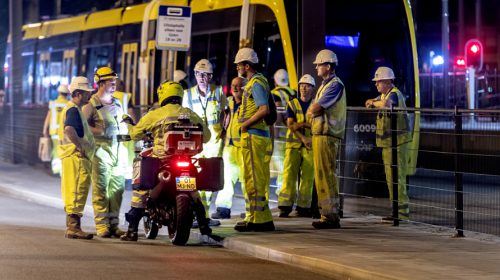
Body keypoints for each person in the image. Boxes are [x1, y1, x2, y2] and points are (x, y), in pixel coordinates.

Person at [120, 81, 212, 241]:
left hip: (161, 161)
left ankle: (132, 230)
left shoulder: (156, 113)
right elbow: (208, 136)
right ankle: (204, 224)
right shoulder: (189, 113)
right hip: (186, 161)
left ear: (163, 95)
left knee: (140, 187)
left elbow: (135, 134)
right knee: (195, 193)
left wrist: (129, 124)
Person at [82, 66, 128, 238]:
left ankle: (114, 225)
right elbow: (82, 127)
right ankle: (102, 226)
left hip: (118, 150)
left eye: (114, 81)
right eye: (110, 81)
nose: (114, 84)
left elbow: (122, 126)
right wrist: (97, 131)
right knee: (101, 190)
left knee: (117, 190)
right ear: (100, 83)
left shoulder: (117, 103)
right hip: (101, 152)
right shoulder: (91, 105)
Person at [233, 47, 275, 232]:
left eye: (239, 65)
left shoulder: (256, 83)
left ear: (247, 66)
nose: (238, 68)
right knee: (252, 178)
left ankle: (260, 220)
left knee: (255, 179)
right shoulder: (254, 82)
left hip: (254, 136)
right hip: (254, 136)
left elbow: (263, 109)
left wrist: (245, 124)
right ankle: (254, 216)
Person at [183, 59, 226, 226]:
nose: (201, 77)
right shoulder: (187, 94)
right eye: (199, 74)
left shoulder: (218, 92)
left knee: (208, 180)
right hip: (196, 142)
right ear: (195, 75)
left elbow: (226, 111)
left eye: (205, 75)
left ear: (210, 76)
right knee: (194, 177)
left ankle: (204, 216)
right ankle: (197, 214)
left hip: (214, 142)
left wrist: (224, 130)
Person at [365, 66, 411, 222]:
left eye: (378, 82)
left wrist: (373, 102)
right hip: (390, 144)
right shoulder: (385, 95)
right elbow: (378, 101)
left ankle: (402, 214)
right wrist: (372, 101)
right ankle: (396, 211)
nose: (376, 85)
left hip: (397, 144)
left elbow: (387, 105)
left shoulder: (394, 95)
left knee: (397, 178)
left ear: (387, 82)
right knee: (392, 179)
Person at [306, 49, 346, 229]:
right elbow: (313, 109)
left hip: (328, 135)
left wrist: (311, 111)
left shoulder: (334, 85)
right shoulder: (324, 85)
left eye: (319, 65)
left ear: (328, 67)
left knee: (327, 175)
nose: (316, 68)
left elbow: (315, 108)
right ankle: (327, 214)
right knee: (321, 175)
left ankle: (331, 216)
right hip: (320, 134)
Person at [58, 76, 95, 239]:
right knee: (76, 190)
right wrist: (80, 147)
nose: (89, 95)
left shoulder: (72, 108)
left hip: (71, 156)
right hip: (76, 157)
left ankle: (72, 227)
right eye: (87, 93)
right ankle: (73, 227)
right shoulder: (73, 109)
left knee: (72, 190)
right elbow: (69, 129)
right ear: (78, 93)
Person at [278, 74, 316, 217]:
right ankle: (285, 206)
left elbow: (316, 125)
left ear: (312, 88)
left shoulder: (316, 104)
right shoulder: (292, 103)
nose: (303, 89)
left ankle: (303, 207)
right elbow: (290, 125)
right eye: (301, 86)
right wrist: (304, 137)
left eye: (307, 86)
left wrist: (300, 124)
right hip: (296, 144)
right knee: (288, 175)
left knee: (308, 176)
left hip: (309, 145)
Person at [211, 77, 246, 219]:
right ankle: (223, 209)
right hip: (229, 147)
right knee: (226, 179)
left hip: (244, 148)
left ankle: (251, 210)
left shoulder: (249, 104)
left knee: (247, 180)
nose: (235, 88)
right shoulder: (229, 102)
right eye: (233, 85)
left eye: (239, 85)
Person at [270, 69, 296, 196]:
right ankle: (287, 190)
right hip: (293, 133)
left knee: (281, 165)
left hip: (279, 134)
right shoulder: (294, 92)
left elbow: (278, 115)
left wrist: (273, 135)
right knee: (289, 164)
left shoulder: (275, 94)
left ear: (275, 81)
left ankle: (283, 192)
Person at [113, 79, 137, 188]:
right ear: (121, 86)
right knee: (128, 155)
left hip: (113, 132)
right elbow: (131, 113)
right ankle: (127, 180)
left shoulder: (107, 97)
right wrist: (136, 126)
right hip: (126, 132)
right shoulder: (125, 97)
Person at [43, 84, 70, 175]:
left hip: (54, 132)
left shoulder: (53, 103)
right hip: (65, 133)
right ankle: (63, 171)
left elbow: (48, 117)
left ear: (58, 93)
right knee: (64, 150)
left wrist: (44, 130)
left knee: (55, 150)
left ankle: (56, 170)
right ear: (67, 94)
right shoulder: (69, 104)